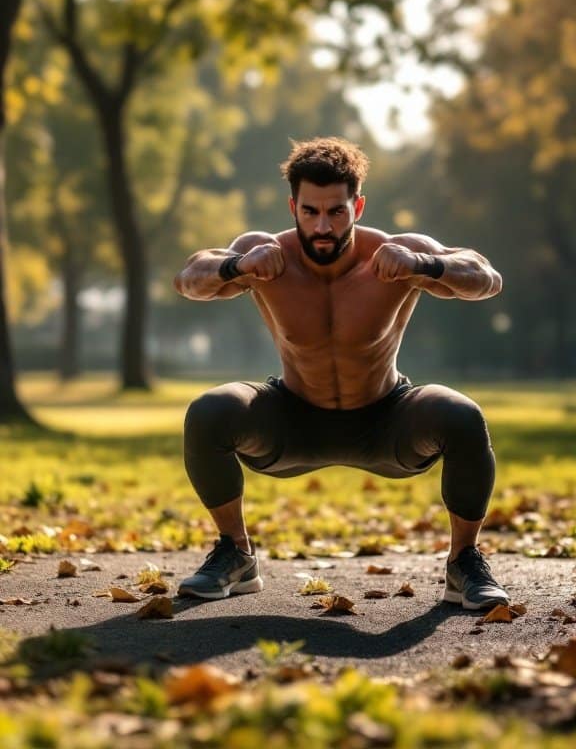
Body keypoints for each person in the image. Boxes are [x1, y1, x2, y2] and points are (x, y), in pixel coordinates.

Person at [173, 136, 509, 610]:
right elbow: (190, 278)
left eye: (337, 211)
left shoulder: (396, 253)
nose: (323, 226)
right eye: (310, 211)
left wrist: (424, 264)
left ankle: (464, 562)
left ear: (359, 206)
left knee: (461, 415)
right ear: (293, 205)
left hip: (385, 420)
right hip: (293, 419)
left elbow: (485, 277)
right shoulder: (265, 254)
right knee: (211, 411)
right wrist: (236, 265)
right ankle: (236, 553)